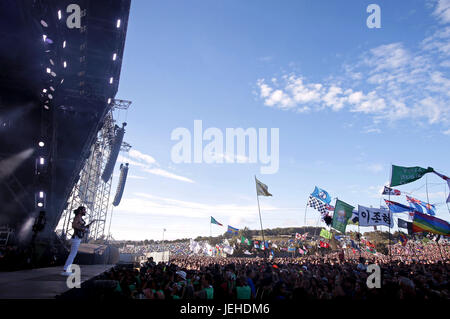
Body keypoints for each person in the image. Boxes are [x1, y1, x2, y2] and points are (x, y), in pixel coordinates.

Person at [61, 206, 88, 276]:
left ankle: (66, 269)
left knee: (73, 254)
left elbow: (78, 226)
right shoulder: (78, 217)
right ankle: (66, 269)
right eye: (84, 210)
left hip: (77, 238)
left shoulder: (80, 217)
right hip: (76, 237)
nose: (85, 211)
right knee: (72, 254)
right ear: (80, 211)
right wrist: (83, 229)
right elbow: (74, 225)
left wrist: (84, 228)